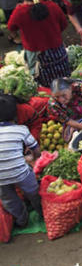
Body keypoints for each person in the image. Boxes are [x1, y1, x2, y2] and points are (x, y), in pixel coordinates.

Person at [8, 0, 70, 86]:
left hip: (37, 56)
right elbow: (64, 24)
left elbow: (11, 27)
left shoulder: (20, 12)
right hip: (58, 53)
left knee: (44, 85)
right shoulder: (52, 6)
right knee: (64, 82)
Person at [0, 94, 41, 229]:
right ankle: (42, 212)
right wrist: (34, 158)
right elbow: (35, 148)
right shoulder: (20, 130)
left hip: (0, 178)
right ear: (15, 115)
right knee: (33, 191)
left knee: (9, 200)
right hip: (20, 172)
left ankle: (22, 220)